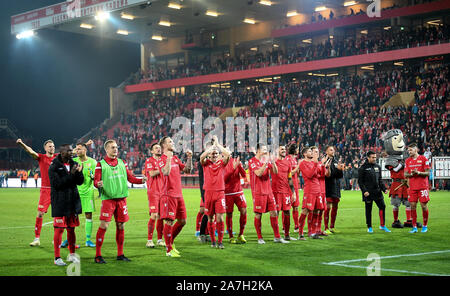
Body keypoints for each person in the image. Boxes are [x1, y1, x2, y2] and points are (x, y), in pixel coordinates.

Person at [93, 139, 146, 264]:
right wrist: (98, 184)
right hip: (108, 200)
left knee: (121, 225)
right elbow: (96, 181)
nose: (115, 149)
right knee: (104, 226)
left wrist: (140, 181)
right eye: (112, 147)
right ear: (106, 150)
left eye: (116, 147)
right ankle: (98, 255)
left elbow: (130, 178)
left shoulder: (122, 162)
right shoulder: (100, 164)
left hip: (121, 199)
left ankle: (120, 254)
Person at [48, 144, 84, 266]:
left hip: (72, 202)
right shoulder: (54, 166)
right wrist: (71, 175)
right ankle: (57, 257)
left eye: (71, 150)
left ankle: (72, 255)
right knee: (59, 229)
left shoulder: (74, 164)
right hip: (60, 202)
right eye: (69, 150)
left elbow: (80, 182)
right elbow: (57, 185)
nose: (71, 152)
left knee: (71, 229)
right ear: (62, 152)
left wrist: (80, 173)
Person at [17, 139, 57, 247]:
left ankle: (56, 239)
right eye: (49, 146)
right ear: (45, 148)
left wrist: (85, 145)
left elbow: (73, 152)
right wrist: (21, 143)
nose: (51, 148)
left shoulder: (58, 157)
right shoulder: (41, 157)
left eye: (53, 146)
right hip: (45, 190)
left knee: (57, 215)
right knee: (40, 213)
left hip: (57, 190)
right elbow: (30, 151)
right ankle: (37, 238)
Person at [159, 136, 193, 257]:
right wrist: (168, 158)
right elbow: (166, 172)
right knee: (169, 221)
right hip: (168, 195)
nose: (173, 143)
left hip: (179, 194)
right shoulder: (161, 159)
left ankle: (170, 242)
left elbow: (188, 170)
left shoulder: (176, 158)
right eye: (170, 142)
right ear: (164, 145)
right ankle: (168, 249)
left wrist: (189, 158)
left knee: (182, 221)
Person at [248, 143, 288, 244]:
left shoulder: (266, 160)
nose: (266, 152)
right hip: (258, 192)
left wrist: (273, 162)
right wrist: (266, 163)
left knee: (274, 212)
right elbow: (258, 173)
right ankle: (260, 238)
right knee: (258, 215)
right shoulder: (252, 161)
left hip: (269, 191)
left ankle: (277, 237)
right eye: (264, 150)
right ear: (258, 150)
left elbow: (275, 171)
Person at [200, 136, 230, 249]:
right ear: (209, 155)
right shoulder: (205, 163)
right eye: (212, 153)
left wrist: (217, 145)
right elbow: (201, 157)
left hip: (220, 193)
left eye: (216, 153)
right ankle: (213, 241)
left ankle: (220, 241)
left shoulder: (222, 163)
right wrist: (211, 148)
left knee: (220, 218)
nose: (214, 155)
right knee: (210, 218)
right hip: (208, 193)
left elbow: (227, 155)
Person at [71, 142, 98, 247]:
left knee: (88, 215)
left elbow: (96, 177)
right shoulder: (73, 161)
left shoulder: (93, 162)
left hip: (88, 192)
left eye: (79, 149)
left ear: (85, 150)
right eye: (76, 149)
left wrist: (93, 177)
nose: (77, 151)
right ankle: (69, 239)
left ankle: (88, 240)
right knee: (72, 216)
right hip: (75, 193)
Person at [358, 151, 391, 233]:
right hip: (368, 193)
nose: (374, 159)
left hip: (377, 192)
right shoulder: (363, 168)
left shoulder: (378, 167)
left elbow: (380, 180)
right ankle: (369, 227)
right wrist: (364, 191)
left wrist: (384, 189)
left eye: (375, 157)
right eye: (372, 157)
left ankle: (382, 225)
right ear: (368, 158)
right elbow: (360, 181)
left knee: (382, 206)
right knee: (368, 210)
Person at [298, 147, 326, 240]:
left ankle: (313, 233)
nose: (312, 153)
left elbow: (320, 175)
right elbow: (309, 175)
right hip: (309, 190)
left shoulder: (313, 163)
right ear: (305, 154)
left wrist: (323, 166)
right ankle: (300, 233)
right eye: (310, 151)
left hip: (317, 189)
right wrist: (315, 164)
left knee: (317, 210)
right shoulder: (302, 164)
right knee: (305, 211)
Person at [405, 143, 431, 233]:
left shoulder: (424, 159)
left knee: (423, 206)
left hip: (423, 186)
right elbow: (405, 174)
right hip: (412, 187)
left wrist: (419, 173)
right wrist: (412, 174)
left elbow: (428, 173)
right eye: (408, 150)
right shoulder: (407, 161)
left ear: (416, 150)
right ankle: (414, 227)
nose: (409, 152)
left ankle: (425, 226)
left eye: (410, 150)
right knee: (413, 206)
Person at [271, 145, 296, 241]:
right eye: (282, 149)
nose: (284, 151)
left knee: (287, 212)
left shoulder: (288, 163)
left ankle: (287, 235)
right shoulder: (274, 162)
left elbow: (289, 178)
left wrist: (293, 192)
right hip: (276, 191)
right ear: (277, 151)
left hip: (286, 192)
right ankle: (276, 236)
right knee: (276, 213)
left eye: (285, 149)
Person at [144, 142, 165, 248]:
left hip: (163, 191)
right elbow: (152, 173)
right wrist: (163, 169)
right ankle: (149, 240)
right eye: (156, 148)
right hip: (153, 191)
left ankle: (160, 239)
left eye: (160, 148)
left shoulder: (162, 161)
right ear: (152, 151)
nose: (158, 149)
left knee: (161, 216)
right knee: (154, 215)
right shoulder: (149, 161)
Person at [224, 152, 248, 244]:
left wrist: (240, 166)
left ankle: (241, 234)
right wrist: (233, 168)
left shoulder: (235, 161)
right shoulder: (222, 164)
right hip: (227, 193)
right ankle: (231, 236)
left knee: (244, 211)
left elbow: (244, 175)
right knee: (229, 214)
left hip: (238, 192)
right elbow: (224, 179)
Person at [324, 145, 344, 234]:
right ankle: (326, 228)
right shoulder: (324, 161)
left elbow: (339, 176)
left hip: (336, 187)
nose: (333, 151)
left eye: (333, 150)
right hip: (327, 186)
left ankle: (332, 226)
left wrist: (340, 170)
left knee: (335, 207)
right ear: (326, 152)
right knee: (327, 207)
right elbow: (326, 175)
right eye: (331, 150)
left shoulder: (336, 162)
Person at [286, 144, 301, 232]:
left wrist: (298, 169)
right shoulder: (288, 159)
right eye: (297, 149)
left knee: (296, 206)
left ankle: (296, 226)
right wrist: (298, 166)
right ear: (294, 150)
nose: (298, 151)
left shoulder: (294, 159)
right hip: (289, 185)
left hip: (295, 184)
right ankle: (285, 228)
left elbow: (296, 173)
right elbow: (289, 173)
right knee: (287, 207)